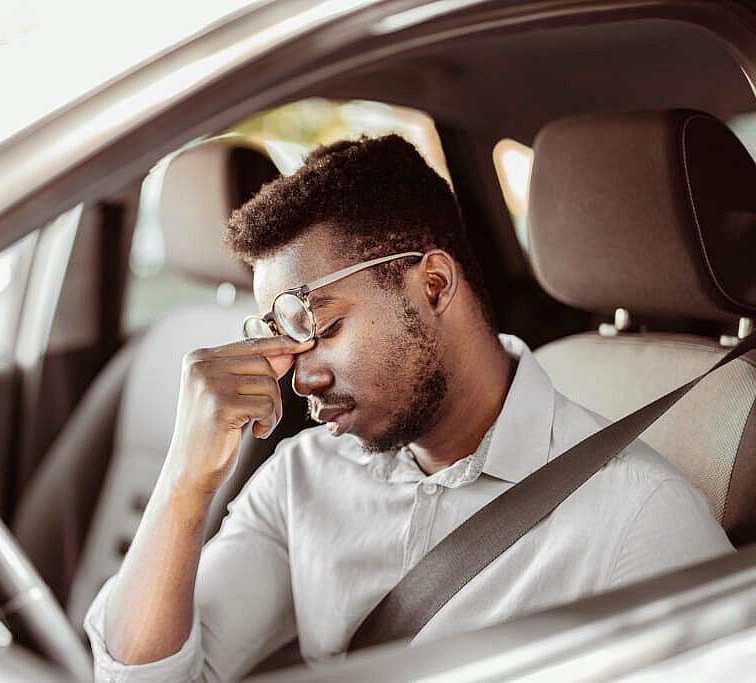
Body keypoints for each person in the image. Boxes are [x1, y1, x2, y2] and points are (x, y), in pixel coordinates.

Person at [84, 135, 732, 681]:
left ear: (432, 284)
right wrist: (185, 481)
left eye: (323, 326)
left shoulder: (639, 518)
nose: (299, 375)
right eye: (280, 338)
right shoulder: (302, 479)